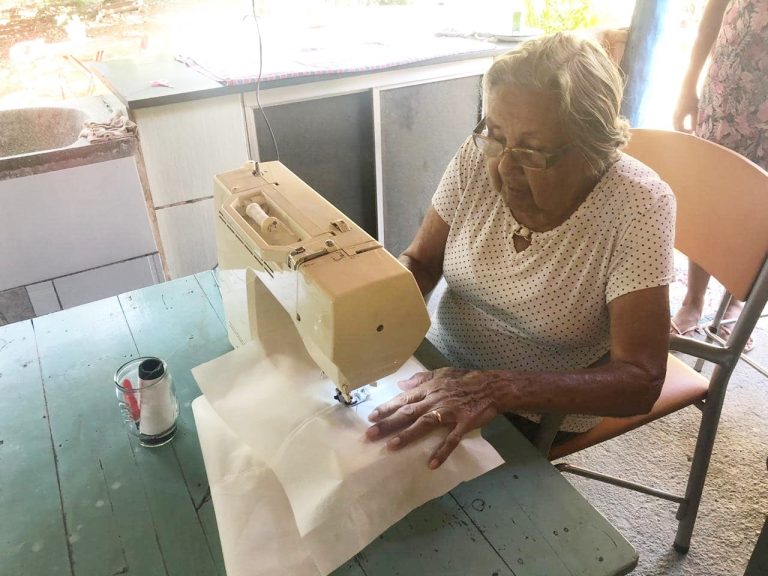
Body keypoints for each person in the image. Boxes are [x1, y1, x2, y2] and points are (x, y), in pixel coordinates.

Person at [365, 33, 676, 469]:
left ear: (593, 149)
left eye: (531, 150)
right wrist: (370, 326)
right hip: (440, 361)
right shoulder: (479, 157)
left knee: (412, 483)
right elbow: (420, 262)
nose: (503, 166)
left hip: (542, 406)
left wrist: (498, 388)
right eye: (495, 135)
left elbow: (640, 381)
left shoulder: (639, 205)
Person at [671, 0, 768, 351]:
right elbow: (713, 11)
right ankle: (693, 300)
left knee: (760, 205)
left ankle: (737, 301)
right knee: (713, 191)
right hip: (728, 89)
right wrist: (687, 86)